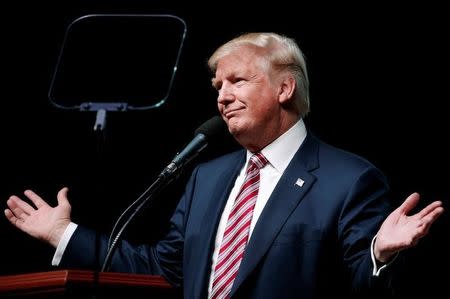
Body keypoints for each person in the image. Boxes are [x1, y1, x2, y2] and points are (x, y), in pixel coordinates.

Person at [4, 32, 444, 299]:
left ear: (285, 88)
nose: (222, 96)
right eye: (218, 85)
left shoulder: (348, 179)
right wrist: (64, 234)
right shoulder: (206, 177)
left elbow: (359, 283)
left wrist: (379, 255)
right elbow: (161, 267)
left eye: (238, 80)